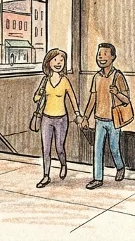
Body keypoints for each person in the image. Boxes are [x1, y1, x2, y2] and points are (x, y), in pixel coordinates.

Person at [81, 42, 131, 190]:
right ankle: (97, 178)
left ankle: (120, 167)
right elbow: (92, 99)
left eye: (104, 54)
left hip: (114, 120)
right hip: (99, 119)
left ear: (113, 57)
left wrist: (117, 93)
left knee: (114, 148)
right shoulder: (96, 77)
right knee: (97, 149)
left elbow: (127, 100)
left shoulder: (118, 76)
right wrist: (85, 117)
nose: (101, 57)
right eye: (99, 55)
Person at [33, 48, 83, 188]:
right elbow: (36, 98)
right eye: (55, 60)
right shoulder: (45, 80)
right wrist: (40, 94)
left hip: (61, 119)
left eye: (61, 60)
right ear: (49, 62)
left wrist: (78, 114)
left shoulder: (65, 81)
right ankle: (46, 175)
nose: (58, 63)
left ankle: (63, 164)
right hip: (46, 119)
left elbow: (73, 99)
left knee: (59, 147)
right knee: (46, 149)